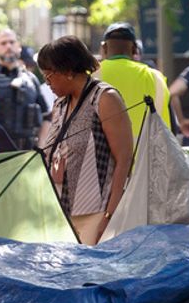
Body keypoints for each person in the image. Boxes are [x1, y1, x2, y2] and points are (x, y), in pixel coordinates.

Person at [37, 36, 134, 245]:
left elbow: (125, 159)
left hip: (96, 214)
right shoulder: (60, 104)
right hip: (61, 212)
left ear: (68, 71)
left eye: (49, 76)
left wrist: (110, 215)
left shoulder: (105, 98)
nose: (47, 83)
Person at [96, 23, 171, 142]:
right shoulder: (156, 78)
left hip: (106, 152)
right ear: (135, 49)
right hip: (149, 151)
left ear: (104, 47)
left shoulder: (91, 76)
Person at [0, 29, 49, 151]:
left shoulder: (31, 79)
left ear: (19, 47)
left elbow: (47, 116)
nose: (8, 46)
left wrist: (41, 146)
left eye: (12, 42)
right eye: (3, 43)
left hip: (28, 152)